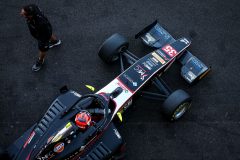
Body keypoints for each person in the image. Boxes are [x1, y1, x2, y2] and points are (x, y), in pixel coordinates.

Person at [20, 4, 61, 72]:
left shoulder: (40, 23)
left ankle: (40, 60)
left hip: (43, 34)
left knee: (42, 49)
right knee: (49, 34)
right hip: (45, 29)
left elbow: (45, 34)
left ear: (30, 15)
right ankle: (55, 41)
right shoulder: (32, 7)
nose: (21, 13)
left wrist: (42, 40)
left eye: (23, 13)